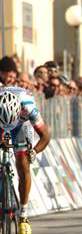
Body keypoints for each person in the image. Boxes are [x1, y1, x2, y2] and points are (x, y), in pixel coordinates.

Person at [0, 87, 51, 234]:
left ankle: (23, 214)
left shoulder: (28, 107)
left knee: (23, 164)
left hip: (22, 125)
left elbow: (45, 136)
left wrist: (34, 151)